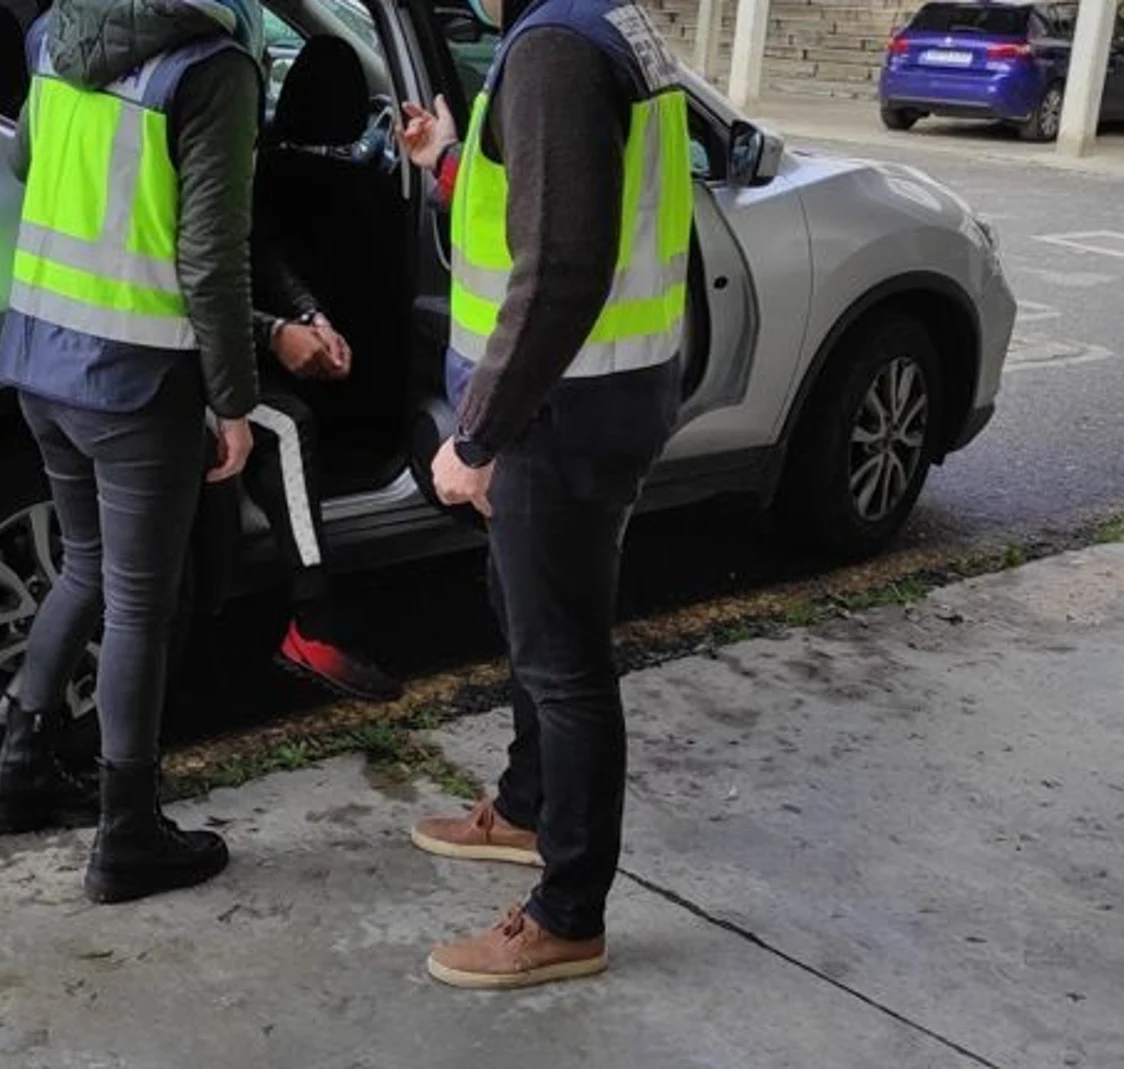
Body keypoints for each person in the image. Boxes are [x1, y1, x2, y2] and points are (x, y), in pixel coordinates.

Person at [399, 0, 693, 988]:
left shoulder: (557, 45)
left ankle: (566, 914)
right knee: (529, 616)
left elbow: (563, 264)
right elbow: (549, 207)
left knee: (563, 662)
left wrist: (477, 434)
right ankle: (526, 810)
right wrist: (448, 159)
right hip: (594, 394)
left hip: (557, 410)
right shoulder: (605, 23)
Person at [0, 0, 267, 906]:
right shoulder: (212, 68)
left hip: (39, 357)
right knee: (144, 601)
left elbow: (26, 161)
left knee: (86, 565)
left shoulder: (58, 37)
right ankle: (128, 833)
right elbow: (212, 255)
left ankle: (18, 770)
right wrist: (235, 401)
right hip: (137, 380)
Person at [246, 244, 404, 703]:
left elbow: (258, 249)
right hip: (169, 359)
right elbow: (195, 296)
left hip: (206, 347)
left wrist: (313, 318)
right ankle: (312, 623)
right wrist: (274, 333)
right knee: (287, 427)